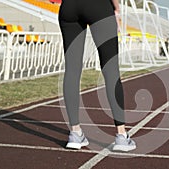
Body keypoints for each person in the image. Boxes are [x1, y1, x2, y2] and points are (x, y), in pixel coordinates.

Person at [58, 0, 136, 151]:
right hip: (98, 6)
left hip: (69, 7)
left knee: (72, 70)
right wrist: (116, 7)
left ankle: (75, 133)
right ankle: (121, 136)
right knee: (111, 70)